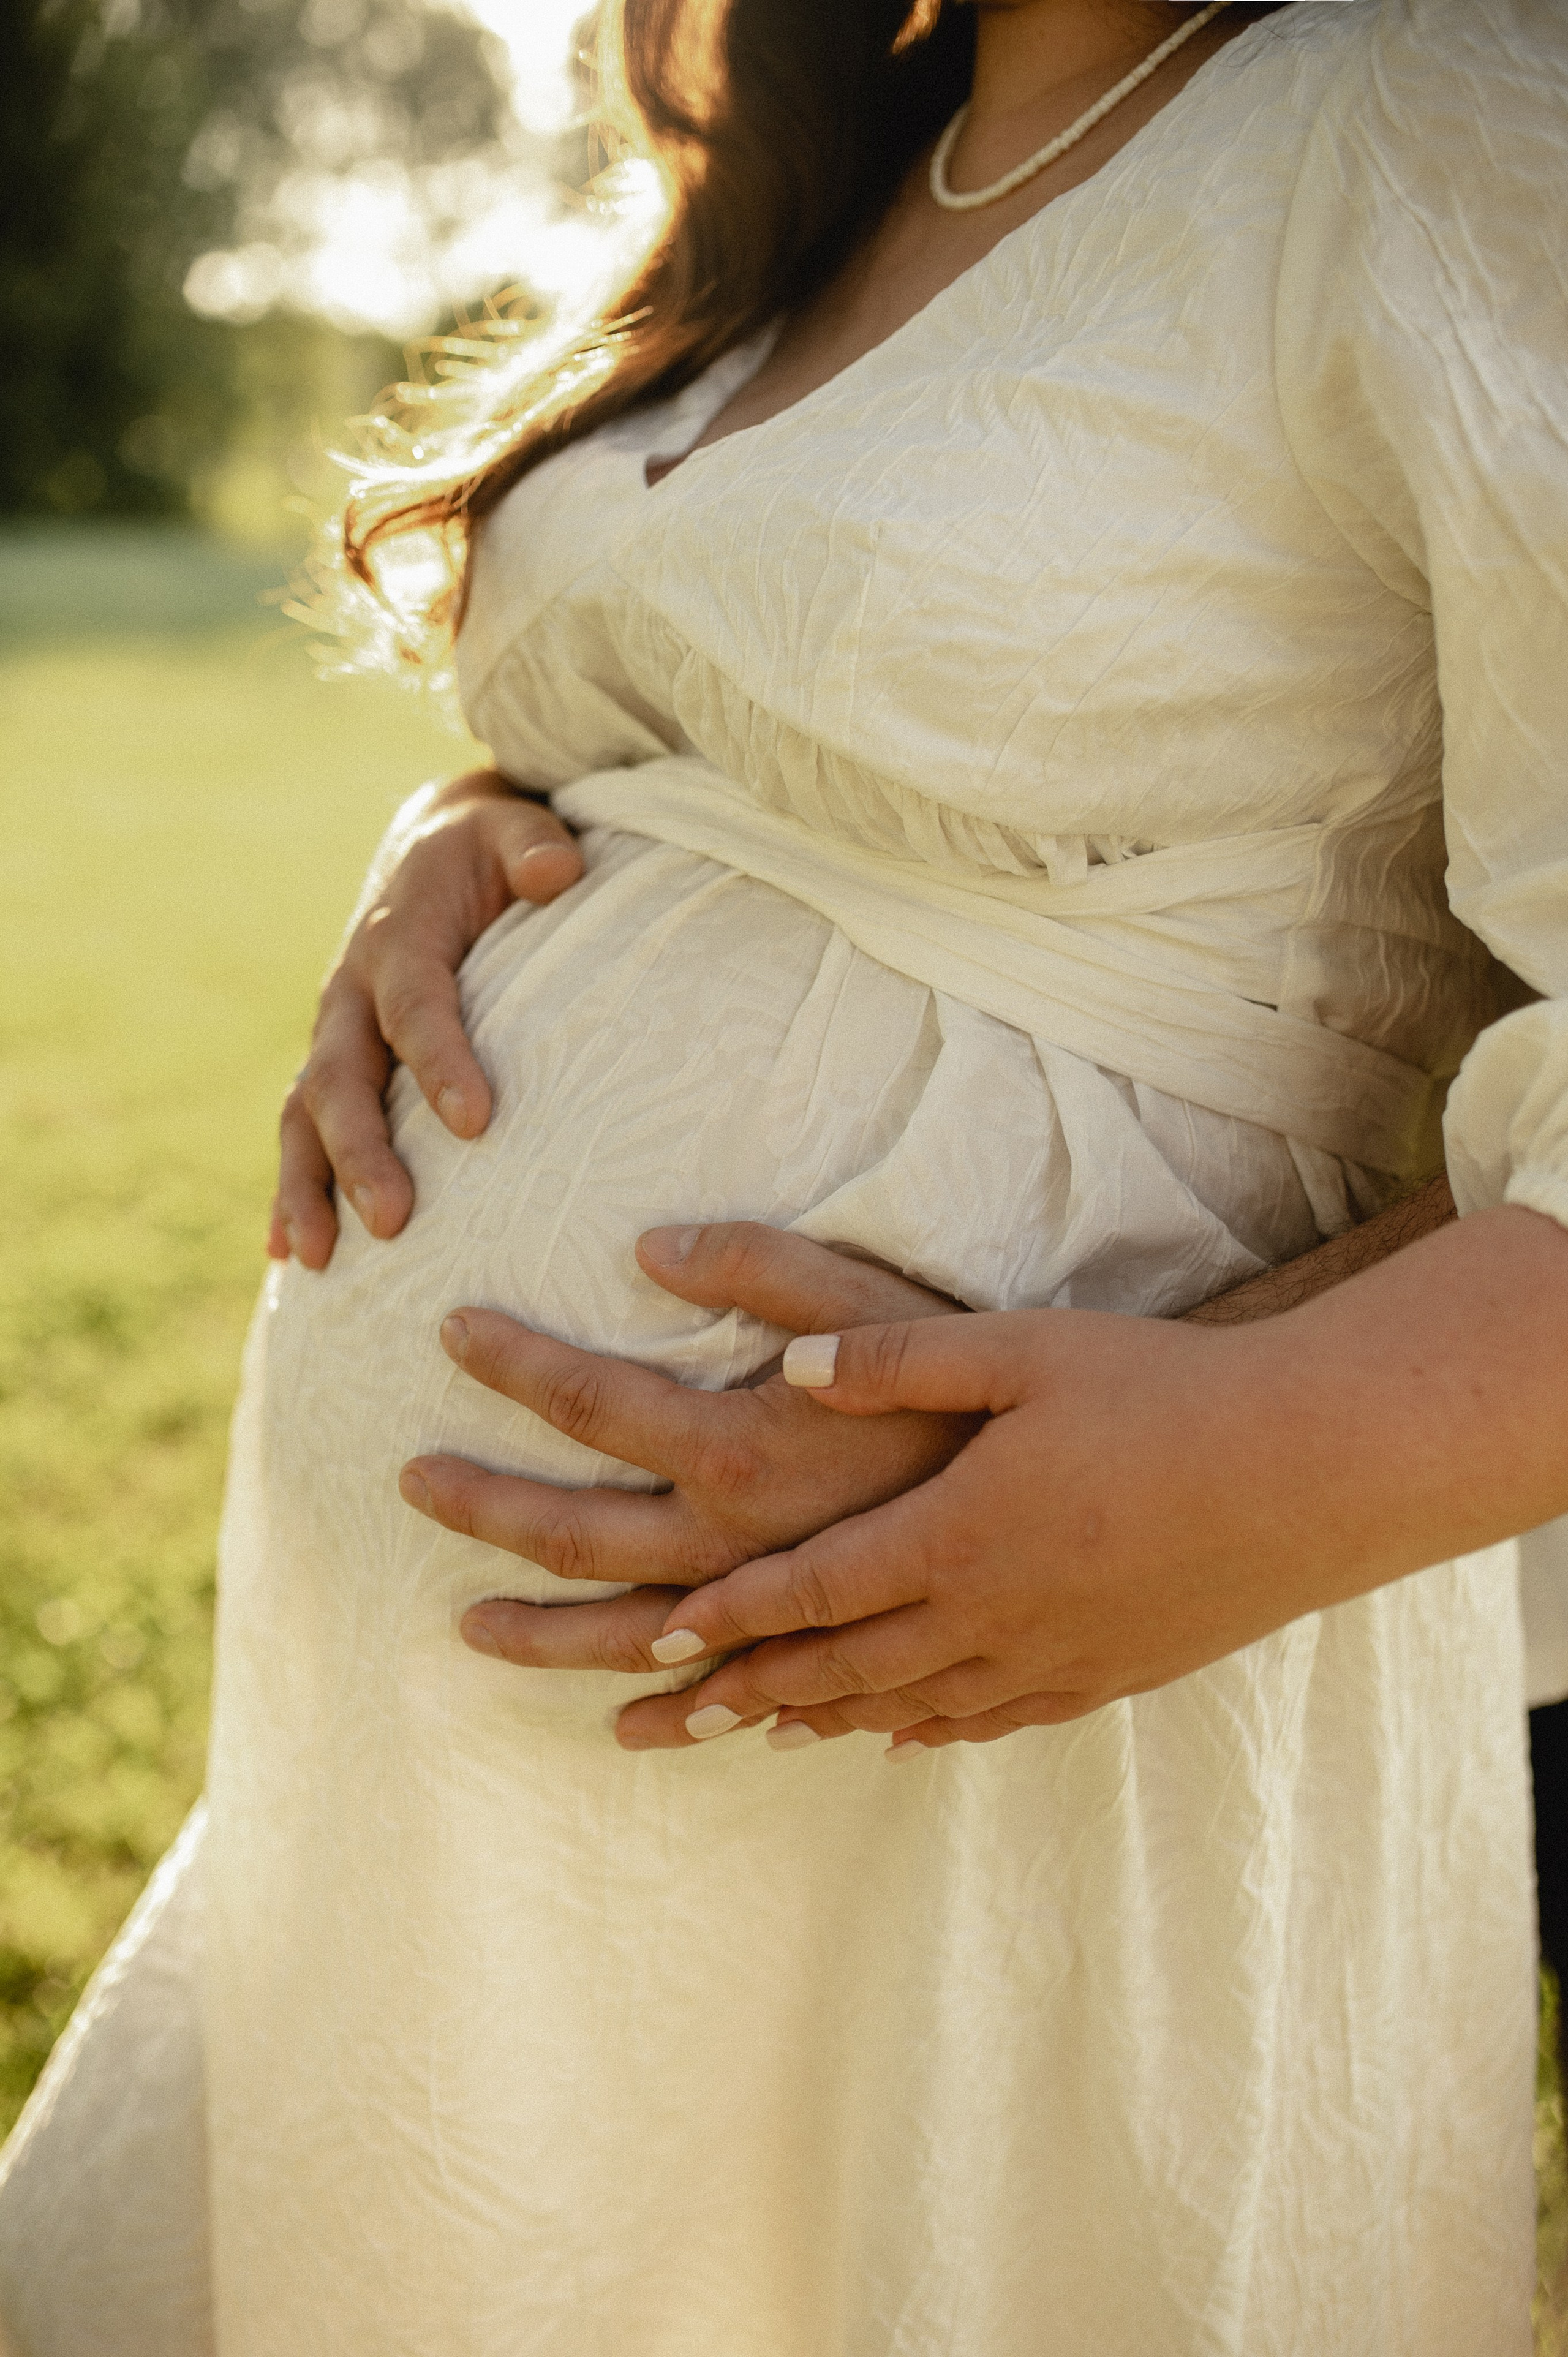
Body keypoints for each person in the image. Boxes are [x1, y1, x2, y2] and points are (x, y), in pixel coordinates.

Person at [1, 0, 1565, 2350]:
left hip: (1008, 1735)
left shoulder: (1450, 98)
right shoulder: (865, 140)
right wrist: (478, 837)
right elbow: (729, 722)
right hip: (451, 1792)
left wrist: (1251, 1458)